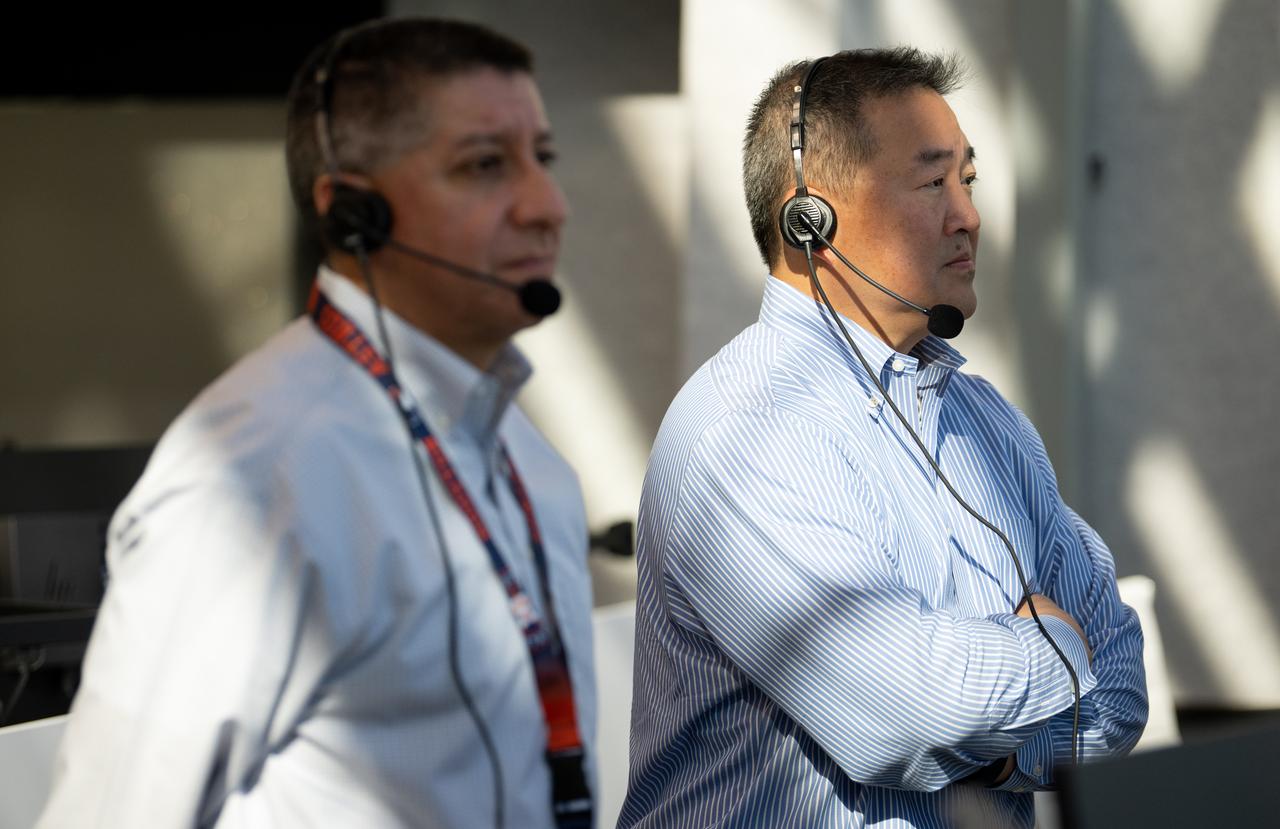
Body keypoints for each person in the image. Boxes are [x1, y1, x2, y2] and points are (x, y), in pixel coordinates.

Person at [40, 17, 596, 829]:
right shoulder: (256, 474)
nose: (549, 207)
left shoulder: (528, 461)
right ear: (354, 215)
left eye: (541, 159)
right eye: (484, 166)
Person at [620, 48, 1146, 828]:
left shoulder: (987, 421)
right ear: (812, 216)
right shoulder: (747, 429)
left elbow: (1125, 691)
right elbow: (902, 715)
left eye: (968, 179)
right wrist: (1055, 648)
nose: (967, 214)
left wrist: (998, 750)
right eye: (933, 182)